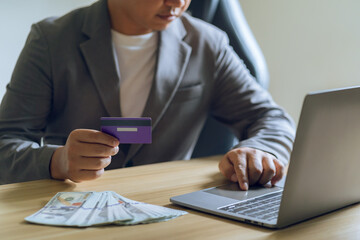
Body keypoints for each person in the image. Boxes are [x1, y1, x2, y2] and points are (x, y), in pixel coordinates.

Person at [0, 0, 295, 190]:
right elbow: (5, 144)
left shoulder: (207, 43)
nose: (178, 3)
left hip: (170, 208)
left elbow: (271, 118)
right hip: (72, 212)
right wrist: (58, 161)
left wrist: (262, 150)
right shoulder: (51, 40)